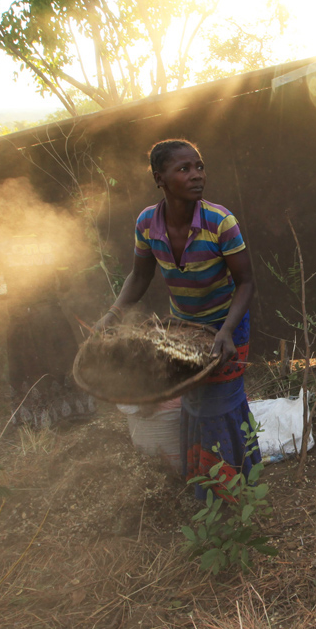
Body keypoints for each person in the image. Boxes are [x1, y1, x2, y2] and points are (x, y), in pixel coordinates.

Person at [96, 139, 260, 491]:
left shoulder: (220, 221)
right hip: (183, 330)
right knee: (196, 403)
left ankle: (235, 489)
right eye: (183, 169)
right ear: (160, 178)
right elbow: (140, 276)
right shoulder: (146, 223)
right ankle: (207, 485)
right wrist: (113, 313)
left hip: (226, 327)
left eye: (199, 166)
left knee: (221, 406)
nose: (196, 175)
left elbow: (246, 283)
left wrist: (227, 331)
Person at [0, 233, 95, 428]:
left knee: (32, 370)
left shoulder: (0, 249)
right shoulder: (51, 244)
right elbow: (64, 284)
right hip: (53, 318)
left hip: (23, 322)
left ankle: (40, 422)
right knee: (61, 364)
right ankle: (73, 415)